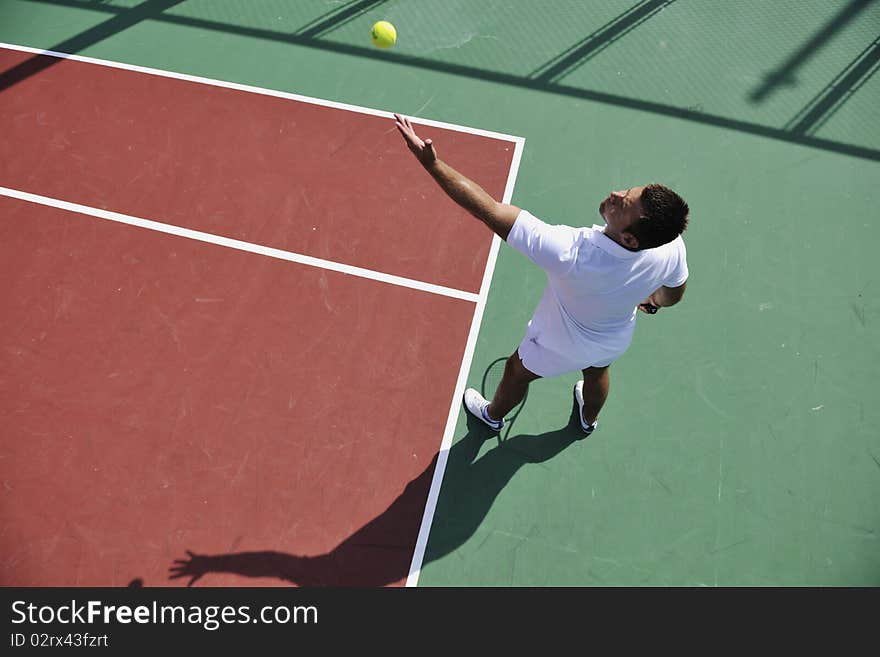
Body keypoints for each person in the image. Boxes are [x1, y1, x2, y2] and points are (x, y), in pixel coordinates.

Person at [394, 114, 689, 435]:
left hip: (557, 344)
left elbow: (489, 209)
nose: (616, 194)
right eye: (627, 191)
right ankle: (588, 421)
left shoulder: (568, 252)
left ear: (631, 238)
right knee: (597, 371)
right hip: (614, 339)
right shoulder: (670, 246)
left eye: (623, 204)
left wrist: (433, 165)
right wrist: (652, 300)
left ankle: (492, 416)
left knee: (516, 371)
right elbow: (673, 293)